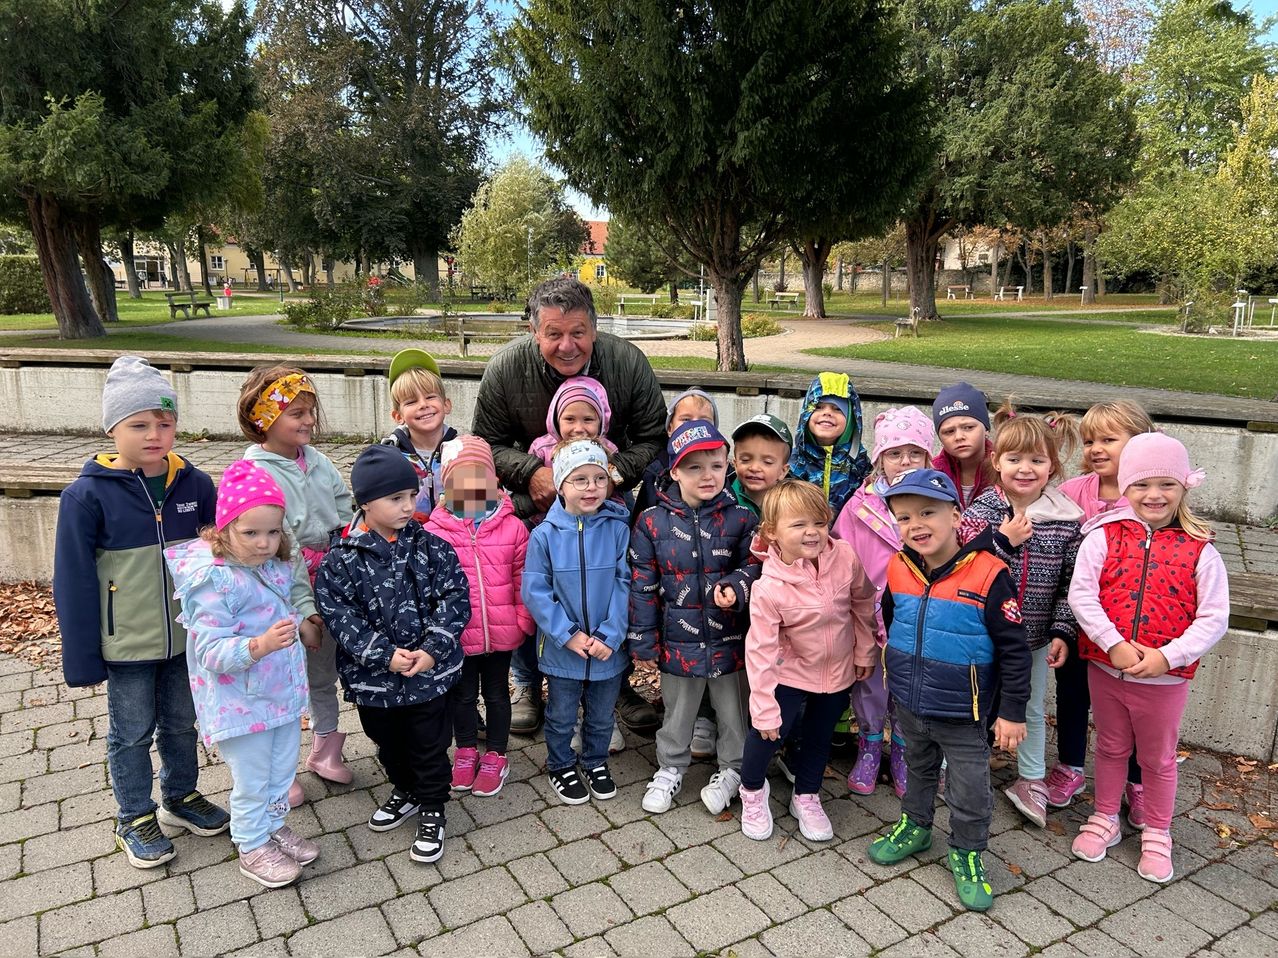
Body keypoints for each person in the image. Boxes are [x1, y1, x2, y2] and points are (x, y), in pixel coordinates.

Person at [53, 356, 230, 869]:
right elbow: (73, 581)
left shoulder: (194, 485)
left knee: (182, 723)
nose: (154, 434)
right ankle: (133, 814)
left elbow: (218, 557)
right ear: (112, 428)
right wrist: (82, 656)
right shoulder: (86, 496)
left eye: (165, 423)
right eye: (139, 424)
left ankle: (182, 795)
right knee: (130, 731)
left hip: (187, 638)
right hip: (125, 643)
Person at [473, 278, 666, 735]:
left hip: (608, 508)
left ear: (594, 330)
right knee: (528, 585)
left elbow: (653, 437)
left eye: (578, 332)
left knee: (608, 585)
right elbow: (487, 443)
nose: (566, 345)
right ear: (534, 331)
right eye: (553, 334)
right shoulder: (505, 369)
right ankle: (528, 682)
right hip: (532, 508)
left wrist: (606, 475)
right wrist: (533, 473)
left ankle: (612, 683)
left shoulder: (626, 362)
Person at [867, 468, 1031, 913]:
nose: (915, 525)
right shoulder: (898, 567)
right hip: (910, 701)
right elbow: (891, 618)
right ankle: (916, 826)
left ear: (956, 515)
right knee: (918, 769)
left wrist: (1012, 711)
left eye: (927, 513)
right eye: (903, 518)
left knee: (969, 787)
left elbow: (1015, 651)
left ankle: (967, 851)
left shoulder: (989, 573)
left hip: (964, 711)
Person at [1068, 433, 1229, 884]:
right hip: (1106, 667)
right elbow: (1082, 594)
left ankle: (1158, 831)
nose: (1153, 495)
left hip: (1165, 679)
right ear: (1124, 485)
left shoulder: (1202, 549)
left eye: (1166, 485)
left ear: (1184, 487)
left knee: (1157, 758)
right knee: (1112, 745)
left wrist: (1167, 656)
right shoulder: (1102, 536)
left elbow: (1214, 616)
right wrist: (1111, 643)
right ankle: (1105, 816)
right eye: (1141, 485)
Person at [314, 445, 470, 864]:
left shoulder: (431, 547)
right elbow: (339, 615)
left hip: (428, 678)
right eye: (395, 499)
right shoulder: (341, 561)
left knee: (429, 745)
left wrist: (432, 651)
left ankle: (434, 804)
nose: (408, 506)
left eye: (412, 495)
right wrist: (382, 654)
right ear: (365, 503)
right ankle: (405, 789)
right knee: (386, 742)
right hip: (374, 682)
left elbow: (455, 598)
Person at [165, 461, 317, 888]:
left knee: (281, 771)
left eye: (273, 531)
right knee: (252, 778)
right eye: (251, 533)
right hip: (242, 701)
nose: (265, 542)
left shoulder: (269, 566)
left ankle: (273, 827)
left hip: (280, 694)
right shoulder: (214, 581)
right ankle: (251, 844)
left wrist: (301, 622)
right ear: (225, 528)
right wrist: (260, 645)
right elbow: (210, 650)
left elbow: (280, 609)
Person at [958, 402, 1083, 829]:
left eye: (1036, 460)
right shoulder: (984, 512)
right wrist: (1002, 541)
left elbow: (1072, 583)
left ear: (1053, 466)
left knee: (1028, 707)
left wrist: (1063, 630)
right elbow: (962, 563)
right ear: (996, 462)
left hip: (1033, 638)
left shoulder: (1067, 521)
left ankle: (1030, 779)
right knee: (974, 703)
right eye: (1014, 459)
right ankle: (956, 766)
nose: (1025, 469)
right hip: (979, 634)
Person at [629, 421, 761, 816]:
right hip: (678, 641)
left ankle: (733, 770)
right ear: (673, 471)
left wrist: (737, 586)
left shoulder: (740, 517)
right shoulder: (652, 521)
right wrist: (643, 639)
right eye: (694, 467)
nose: (708, 476)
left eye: (716, 466)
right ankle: (670, 766)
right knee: (677, 711)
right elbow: (641, 585)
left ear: (728, 466)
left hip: (731, 640)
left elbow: (756, 565)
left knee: (734, 711)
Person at [737, 480, 879, 843]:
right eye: (798, 525)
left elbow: (863, 602)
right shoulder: (769, 587)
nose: (812, 532)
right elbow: (761, 649)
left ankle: (807, 795)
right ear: (772, 533)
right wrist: (764, 705)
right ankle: (752, 791)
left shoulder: (844, 556)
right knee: (768, 734)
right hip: (790, 674)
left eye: (818, 521)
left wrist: (865, 649)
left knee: (819, 737)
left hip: (838, 672)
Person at [239, 365, 355, 804]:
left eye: (311, 411)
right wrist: (304, 610)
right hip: (281, 583)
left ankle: (325, 747)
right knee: (284, 677)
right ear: (264, 418)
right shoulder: (257, 473)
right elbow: (278, 548)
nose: (308, 420)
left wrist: (351, 544)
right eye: (296, 413)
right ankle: (277, 768)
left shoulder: (318, 462)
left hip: (331, 571)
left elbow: (344, 510)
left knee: (322, 670)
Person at [1050, 400, 1157, 815]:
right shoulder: (1075, 492)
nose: (1096, 448)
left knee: (1133, 706)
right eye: (1089, 440)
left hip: (1135, 627)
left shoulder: (1150, 496)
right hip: (1081, 621)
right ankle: (1070, 766)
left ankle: (1138, 780)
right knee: (1073, 695)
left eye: (1109, 439)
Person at [831, 405, 935, 798]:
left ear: (928, 457)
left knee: (911, 691)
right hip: (870, 619)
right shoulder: (860, 507)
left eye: (914, 452)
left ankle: (905, 752)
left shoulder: (937, 503)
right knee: (870, 688)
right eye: (894, 453)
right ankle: (871, 744)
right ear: (880, 461)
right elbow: (843, 557)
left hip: (918, 620)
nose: (904, 461)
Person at [522, 440, 632, 805]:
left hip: (606, 648)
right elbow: (536, 591)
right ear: (560, 484)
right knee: (561, 714)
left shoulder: (618, 529)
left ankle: (595, 761)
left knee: (602, 715)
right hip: (562, 648)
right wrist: (567, 635)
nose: (591, 488)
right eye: (579, 479)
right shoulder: (544, 535)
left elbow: (624, 583)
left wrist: (610, 634)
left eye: (599, 478)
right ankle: (561, 765)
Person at [424, 436, 533, 798]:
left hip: (503, 634)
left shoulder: (513, 527)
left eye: (479, 480)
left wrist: (522, 620)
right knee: (463, 697)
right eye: (461, 482)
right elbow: (429, 589)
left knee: (499, 695)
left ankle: (497, 754)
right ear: (447, 486)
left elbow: (522, 579)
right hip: (458, 636)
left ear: (493, 482)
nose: (471, 490)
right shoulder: (434, 533)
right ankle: (467, 750)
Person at [380, 348, 458, 521]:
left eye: (430, 397)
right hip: (406, 538)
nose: (423, 405)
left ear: (446, 405)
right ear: (398, 416)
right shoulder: (390, 455)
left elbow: (479, 508)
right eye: (411, 401)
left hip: (452, 537)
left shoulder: (462, 451)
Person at [787, 372, 871, 519]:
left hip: (847, 536)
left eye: (837, 409)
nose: (827, 413)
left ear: (851, 419)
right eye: (818, 407)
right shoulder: (794, 461)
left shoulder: (859, 462)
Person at [632, 387, 721, 520]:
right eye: (686, 420)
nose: (694, 427)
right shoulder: (656, 470)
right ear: (669, 428)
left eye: (703, 420)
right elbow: (641, 520)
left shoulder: (725, 470)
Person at [528, 375, 620, 468]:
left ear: (600, 422)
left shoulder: (609, 451)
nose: (579, 429)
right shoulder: (541, 450)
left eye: (588, 419)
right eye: (570, 419)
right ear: (557, 421)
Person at [931, 382, 994, 510]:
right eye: (949, 431)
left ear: (986, 429)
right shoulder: (932, 472)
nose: (959, 436)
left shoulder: (1005, 467)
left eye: (968, 427)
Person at [728, 414, 794, 519]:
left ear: (783, 471)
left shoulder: (794, 505)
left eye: (767, 462)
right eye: (745, 460)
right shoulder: (721, 500)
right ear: (735, 465)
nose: (754, 468)